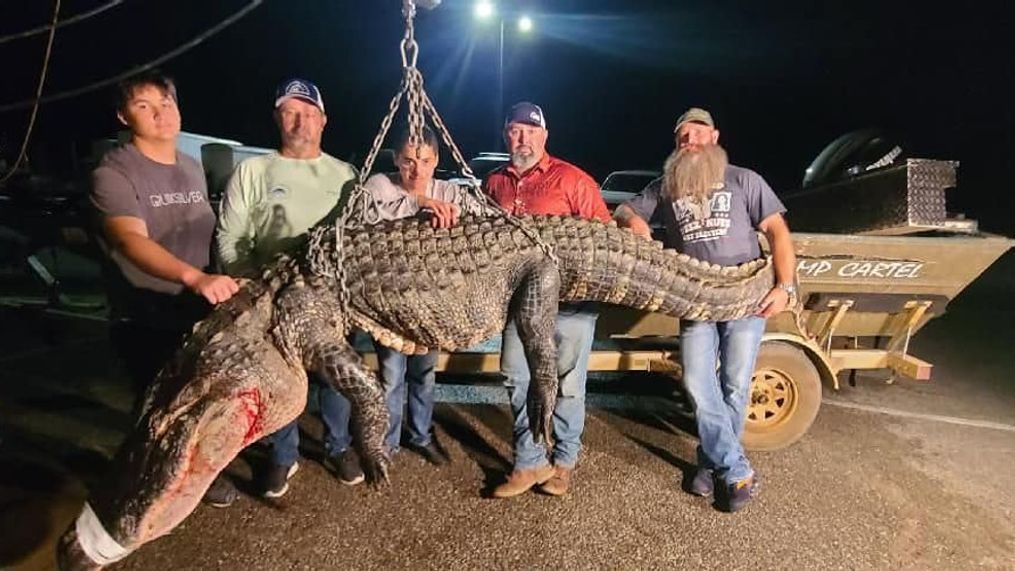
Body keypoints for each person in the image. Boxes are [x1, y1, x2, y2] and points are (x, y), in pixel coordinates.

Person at [614, 107, 797, 512]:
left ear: (714, 137)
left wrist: (786, 287)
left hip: (745, 297)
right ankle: (734, 469)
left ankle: (711, 465)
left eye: (696, 134)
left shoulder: (744, 180)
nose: (689, 141)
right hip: (696, 300)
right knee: (698, 382)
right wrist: (636, 225)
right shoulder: (667, 185)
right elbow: (625, 209)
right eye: (682, 136)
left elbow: (778, 233)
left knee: (735, 386)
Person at [90, 70, 240, 507]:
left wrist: (222, 275)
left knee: (195, 400)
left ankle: (193, 477)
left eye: (167, 103)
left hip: (193, 312)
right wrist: (194, 277)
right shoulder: (114, 173)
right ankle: (140, 488)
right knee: (155, 410)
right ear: (123, 116)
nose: (160, 115)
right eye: (144, 106)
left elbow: (207, 233)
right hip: (143, 314)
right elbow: (129, 240)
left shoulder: (192, 168)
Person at [215, 78, 362, 496]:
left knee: (336, 378)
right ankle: (283, 455)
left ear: (323, 120)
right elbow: (230, 235)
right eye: (291, 112)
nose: (301, 121)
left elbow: (359, 235)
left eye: (309, 113)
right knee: (279, 379)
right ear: (278, 118)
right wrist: (249, 282)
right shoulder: (253, 170)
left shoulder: (345, 174)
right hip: (272, 297)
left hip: (330, 301)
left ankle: (337, 445)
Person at [483, 102, 611, 498]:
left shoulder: (573, 180)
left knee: (567, 384)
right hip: (520, 304)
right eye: (515, 131)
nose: (522, 138)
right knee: (516, 376)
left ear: (544, 135)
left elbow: (604, 236)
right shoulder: (495, 182)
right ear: (506, 135)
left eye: (530, 131)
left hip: (569, 303)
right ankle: (530, 461)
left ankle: (564, 463)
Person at [362, 126, 485, 464]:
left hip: (432, 306)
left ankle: (420, 434)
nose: (417, 170)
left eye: (425, 161)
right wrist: (419, 201)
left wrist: (459, 216)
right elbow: (369, 211)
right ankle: (386, 445)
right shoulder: (379, 185)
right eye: (408, 161)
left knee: (424, 374)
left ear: (436, 161)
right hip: (390, 304)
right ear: (396, 159)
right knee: (390, 377)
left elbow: (484, 216)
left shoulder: (449, 190)